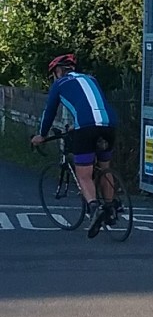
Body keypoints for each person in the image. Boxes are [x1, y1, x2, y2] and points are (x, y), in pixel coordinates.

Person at [31, 54, 119, 239]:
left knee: (83, 174)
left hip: (86, 128)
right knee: (105, 166)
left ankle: (95, 208)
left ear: (58, 71)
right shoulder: (91, 78)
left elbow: (49, 112)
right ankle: (111, 208)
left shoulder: (59, 84)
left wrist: (42, 135)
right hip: (109, 124)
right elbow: (92, 105)